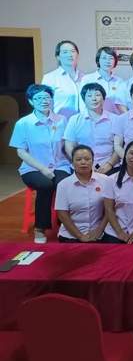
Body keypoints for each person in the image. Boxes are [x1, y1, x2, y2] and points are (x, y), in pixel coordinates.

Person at [9, 84, 71, 243]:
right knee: (45, 185)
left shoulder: (62, 120)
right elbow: (21, 152)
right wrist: (43, 169)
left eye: (47, 97)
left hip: (60, 165)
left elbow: (66, 146)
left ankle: (64, 224)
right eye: (38, 98)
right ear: (31, 101)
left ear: (52, 100)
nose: (44, 101)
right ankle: (40, 228)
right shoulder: (23, 123)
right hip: (32, 168)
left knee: (65, 184)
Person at [55, 145, 109, 243]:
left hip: (99, 234)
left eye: (87, 159)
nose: (83, 162)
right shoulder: (63, 185)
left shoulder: (105, 180)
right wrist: (80, 236)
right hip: (71, 235)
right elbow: (62, 214)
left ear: (93, 161)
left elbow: (110, 209)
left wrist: (99, 231)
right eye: (78, 159)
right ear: (72, 163)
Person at [64, 83, 119, 175]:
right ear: (84, 99)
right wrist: (80, 163)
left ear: (103, 99)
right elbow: (69, 146)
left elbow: (118, 147)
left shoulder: (115, 119)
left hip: (110, 166)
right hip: (81, 166)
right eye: (89, 96)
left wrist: (109, 164)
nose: (94, 99)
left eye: (97, 95)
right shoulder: (74, 120)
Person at [41, 40, 83, 118]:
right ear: (58, 57)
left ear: (77, 55)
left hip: (82, 123)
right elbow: (44, 105)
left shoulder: (85, 78)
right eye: (65, 52)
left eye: (73, 51)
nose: (70, 55)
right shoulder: (50, 78)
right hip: (60, 123)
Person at [80, 46, 124, 115]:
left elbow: (122, 104)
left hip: (115, 118)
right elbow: (82, 103)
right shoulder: (87, 79)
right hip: (93, 119)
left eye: (111, 58)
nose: (107, 61)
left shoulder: (120, 81)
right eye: (104, 58)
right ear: (98, 60)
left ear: (115, 61)